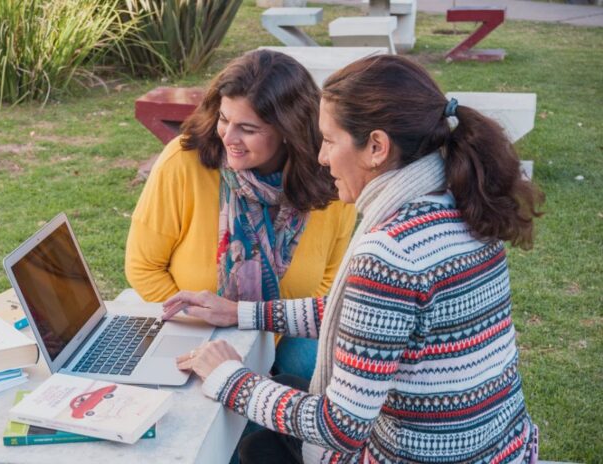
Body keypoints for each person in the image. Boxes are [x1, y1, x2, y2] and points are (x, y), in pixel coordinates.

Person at [162, 54, 543, 464]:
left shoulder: (391, 252)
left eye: (329, 140)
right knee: (280, 398)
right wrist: (242, 312)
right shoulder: (457, 204)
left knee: (255, 439)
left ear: (376, 147)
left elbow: (339, 428)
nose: (322, 157)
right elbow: (366, 317)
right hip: (502, 452)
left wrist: (229, 377)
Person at [125, 49, 356, 380]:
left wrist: (257, 328)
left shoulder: (331, 179)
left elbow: (329, 280)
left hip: (289, 333)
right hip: (201, 333)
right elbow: (143, 267)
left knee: (328, 373)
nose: (228, 138)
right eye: (223, 118)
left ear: (288, 130)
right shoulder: (184, 162)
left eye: (247, 128)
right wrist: (213, 331)